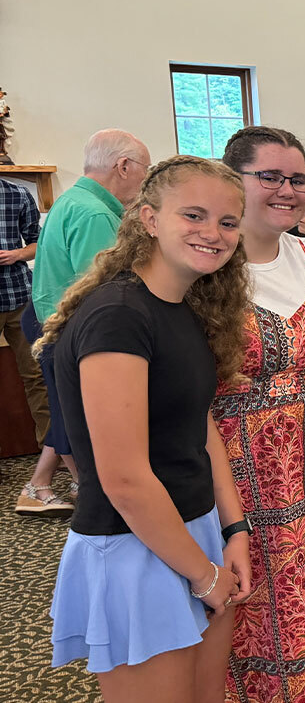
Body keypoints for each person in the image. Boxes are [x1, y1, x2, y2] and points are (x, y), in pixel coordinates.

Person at [40, 156, 253, 702]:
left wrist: (234, 531)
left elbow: (200, 429)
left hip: (194, 528)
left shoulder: (184, 306)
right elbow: (125, 479)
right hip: (135, 545)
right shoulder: (118, 314)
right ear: (148, 218)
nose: (213, 233)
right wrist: (202, 575)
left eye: (228, 222)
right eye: (194, 215)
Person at [212, 127, 305, 702]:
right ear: (235, 181)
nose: (288, 190)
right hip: (243, 467)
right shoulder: (211, 264)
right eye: (270, 177)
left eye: (298, 179)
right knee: (261, 604)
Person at [23, 128, 152, 517]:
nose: (146, 182)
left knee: (65, 410)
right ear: (123, 166)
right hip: (73, 329)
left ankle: (48, 484)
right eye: (145, 171)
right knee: (76, 416)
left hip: (48, 318)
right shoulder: (95, 212)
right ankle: (85, 489)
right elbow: (104, 293)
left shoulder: (73, 199)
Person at [1, 178, 49, 463]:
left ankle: (53, 453)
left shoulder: (17, 194)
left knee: (38, 378)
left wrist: (17, 254)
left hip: (20, 296)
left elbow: (38, 243)